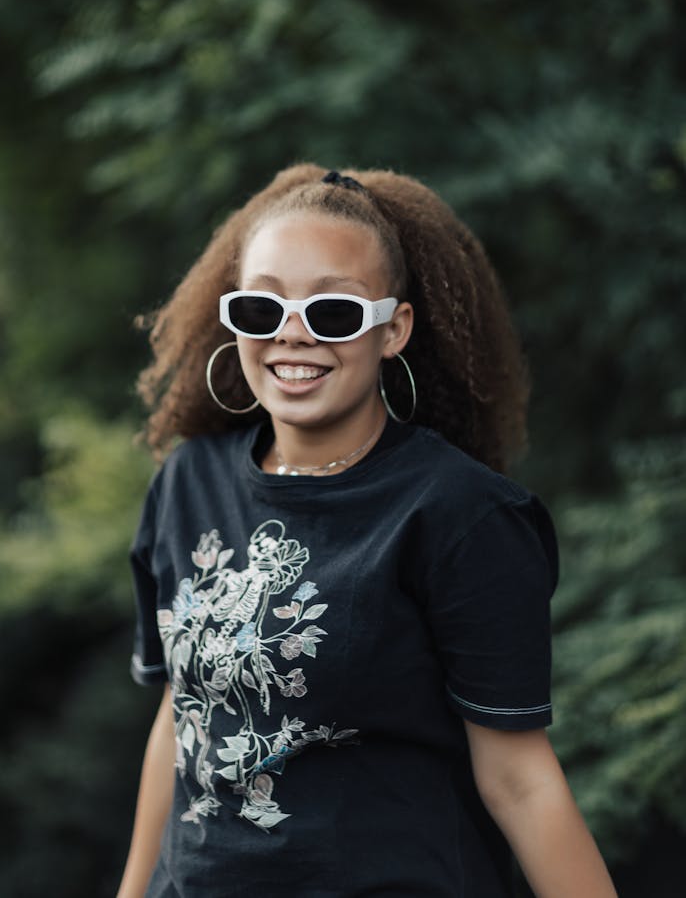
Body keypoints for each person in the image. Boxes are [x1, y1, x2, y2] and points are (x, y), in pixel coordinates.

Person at [116, 164, 617, 898]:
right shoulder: (186, 484)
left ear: (394, 329)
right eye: (262, 307)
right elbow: (181, 717)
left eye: (335, 313)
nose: (293, 333)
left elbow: (520, 780)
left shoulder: (462, 516)